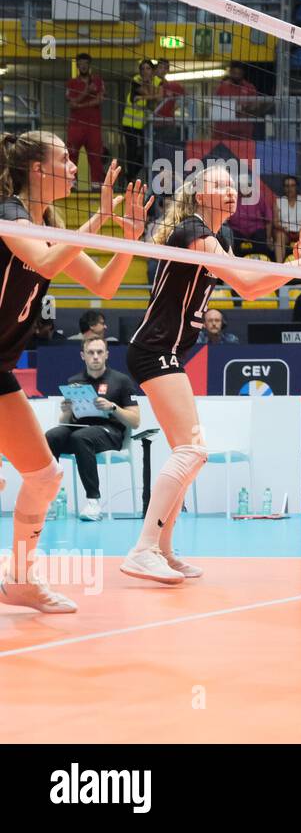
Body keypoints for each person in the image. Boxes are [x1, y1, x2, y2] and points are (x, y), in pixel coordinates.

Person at [121, 166, 301, 583]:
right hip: (153, 350)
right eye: (219, 184)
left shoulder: (220, 238)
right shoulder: (191, 231)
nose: (230, 190)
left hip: (166, 352)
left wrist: (298, 263)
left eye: (233, 184)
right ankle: (143, 548)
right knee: (193, 451)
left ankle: (161, 549)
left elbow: (250, 287)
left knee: (190, 453)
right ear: (199, 195)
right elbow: (249, 283)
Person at [0, 140, 149, 613]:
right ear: (34, 169)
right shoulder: (8, 214)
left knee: (43, 476)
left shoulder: (49, 227)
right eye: (63, 158)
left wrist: (127, 238)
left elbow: (104, 284)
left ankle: (20, 579)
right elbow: (43, 261)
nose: (73, 165)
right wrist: (101, 219)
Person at [45, 337, 140, 522]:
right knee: (51, 436)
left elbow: (135, 421)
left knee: (81, 438)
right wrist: (66, 411)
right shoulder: (75, 382)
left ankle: (93, 501)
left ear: (106, 354)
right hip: (79, 429)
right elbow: (64, 422)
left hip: (110, 432)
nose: (95, 357)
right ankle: (48, 499)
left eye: (99, 352)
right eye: (90, 352)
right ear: (83, 355)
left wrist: (113, 407)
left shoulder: (121, 381)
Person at [65, 53, 106, 189]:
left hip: (93, 125)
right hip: (76, 125)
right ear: (77, 65)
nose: (83, 66)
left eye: (85, 63)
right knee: (71, 154)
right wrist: (87, 92)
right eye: (80, 63)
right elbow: (71, 104)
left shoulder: (98, 81)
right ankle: (71, 183)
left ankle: (96, 184)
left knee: (95, 155)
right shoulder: (72, 82)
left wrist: (80, 104)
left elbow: (99, 99)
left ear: (89, 65)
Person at [272, 175, 301, 263]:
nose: (290, 188)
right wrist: (283, 229)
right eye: (287, 186)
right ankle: (279, 266)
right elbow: (275, 222)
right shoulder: (278, 202)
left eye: (292, 185)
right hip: (284, 232)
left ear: (296, 187)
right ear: (284, 188)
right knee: (279, 236)